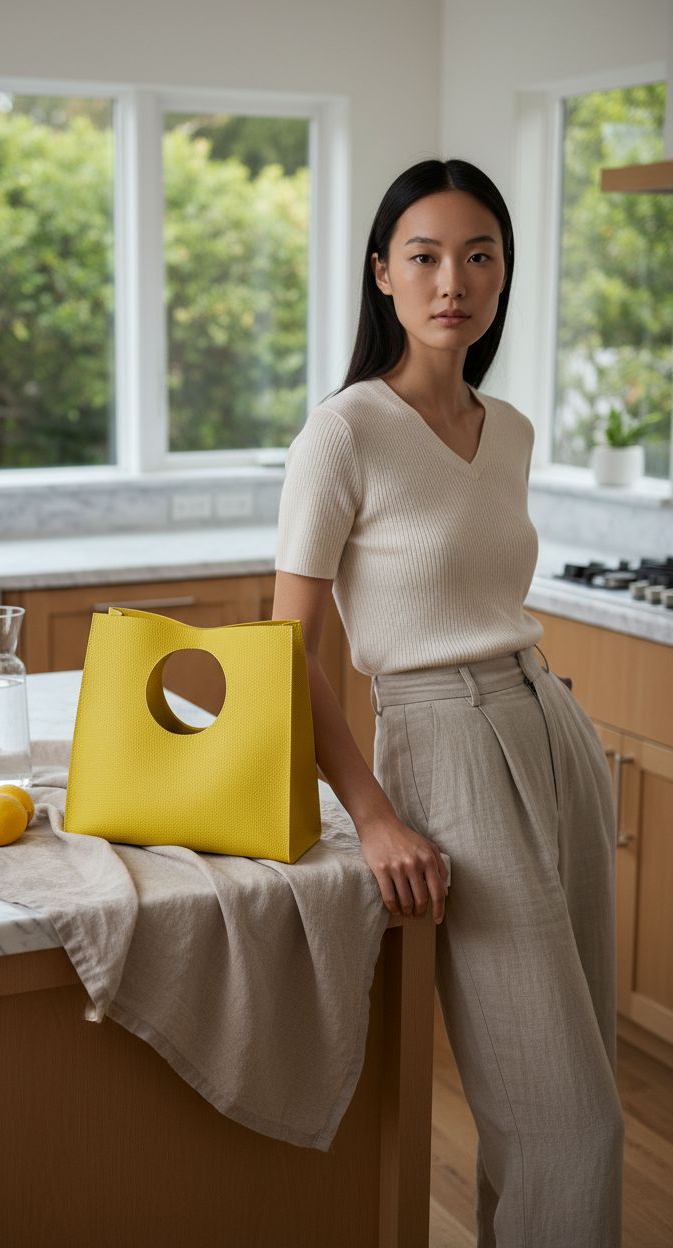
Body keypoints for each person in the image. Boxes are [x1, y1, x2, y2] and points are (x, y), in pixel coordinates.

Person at [272, 158, 625, 1248]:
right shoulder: (345, 431)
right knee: (573, 1125)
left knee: (566, 1090)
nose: (451, 281)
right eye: (423, 256)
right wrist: (373, 811)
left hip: (550, 728)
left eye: (479, 256)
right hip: (443, 743)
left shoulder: (507, 430)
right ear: (381, 273)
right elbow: (288, 650)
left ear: (504, 274)